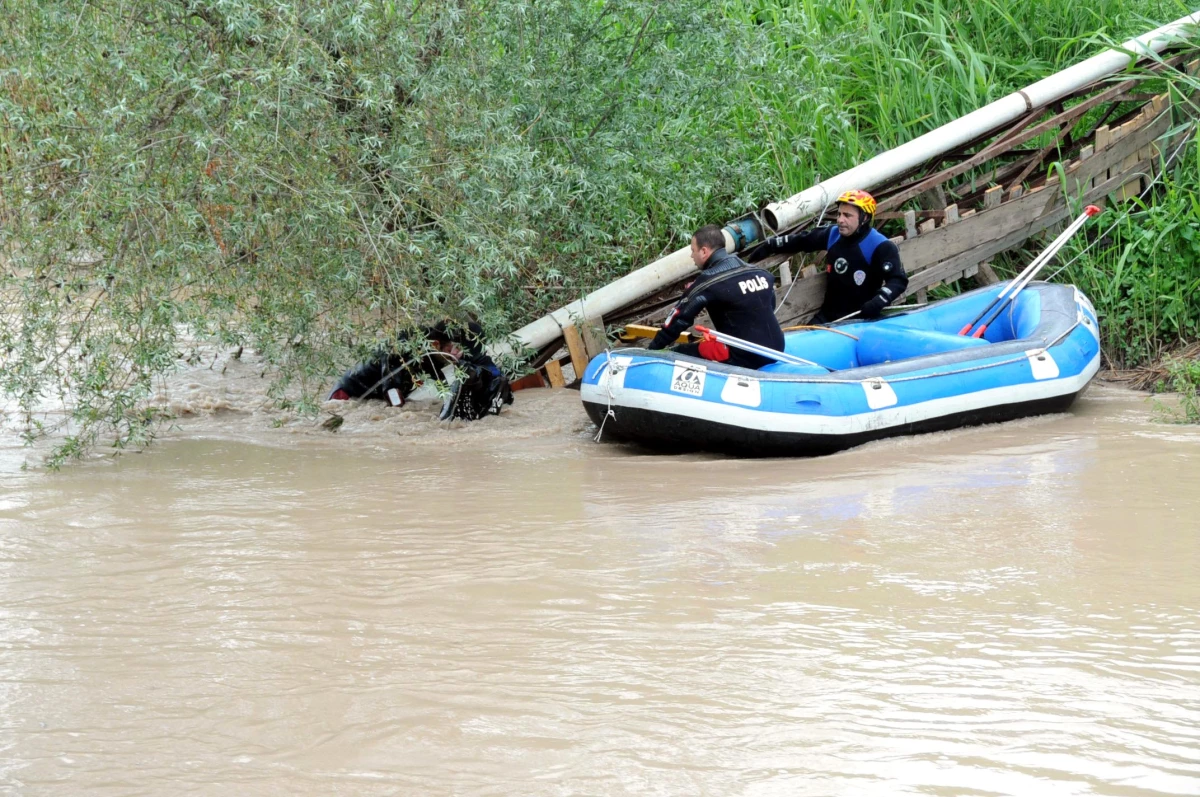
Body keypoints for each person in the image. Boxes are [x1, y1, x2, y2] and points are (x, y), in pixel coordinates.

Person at [648, 224, 785, 369]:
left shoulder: (707, 282)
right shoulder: (760, 273)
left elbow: (678, 320)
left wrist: (652, 350)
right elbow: (770, 305)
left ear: (704, 251)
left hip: (744, 355)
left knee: (679, 352)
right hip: (777, 348)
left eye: (693, 251)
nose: (691, 256)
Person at [762, 189, 908, 323]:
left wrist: (880, 299)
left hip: (862, 317)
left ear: (864, 218)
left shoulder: (880, 245)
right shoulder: (833, 234)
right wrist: (772, 244)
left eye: (847, 215)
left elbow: (898, 280)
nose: (840, 220)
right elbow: (803, 240)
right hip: (828, 316)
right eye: (839, 214)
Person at [329, 321, 513, 420]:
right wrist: (399, 416)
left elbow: (446, 383)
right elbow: (392, 390)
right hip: (347, 393)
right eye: (451, 350)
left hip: (377, 396)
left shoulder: (435, 356)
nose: (455, 356)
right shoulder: (402, 350)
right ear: (435, 345)